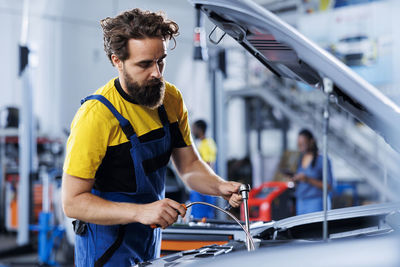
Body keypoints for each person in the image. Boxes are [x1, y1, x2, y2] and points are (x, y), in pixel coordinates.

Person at [61, 8, 243, 266]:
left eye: (161, 61)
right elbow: (73, 203)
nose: (157, 73)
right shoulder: (95, 117)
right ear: (117, 61)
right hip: (105, 250)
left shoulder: (170, 99)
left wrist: (219, 186)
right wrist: (141, 212)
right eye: (145, 64)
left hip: (149, 238)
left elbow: (189, 166)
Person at [292, 129, 334, 215]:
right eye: (299, 145)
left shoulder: (322, 160)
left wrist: (307, 179)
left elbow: (329, 186)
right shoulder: (300, 159)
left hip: (316, 202)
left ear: (311, 141)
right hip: (301, 202)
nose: (300, 147)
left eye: (303, 144)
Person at [190, 119, 217, 219]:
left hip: (203, 182)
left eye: (194, 129)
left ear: (199, 130)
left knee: (201, 212)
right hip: (204, 181)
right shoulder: (207, 143)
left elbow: (208, 164)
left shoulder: (206, 144)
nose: (192, 131)